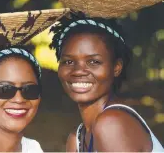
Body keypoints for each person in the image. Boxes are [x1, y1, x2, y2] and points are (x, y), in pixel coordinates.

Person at [49, 12, 164, 152]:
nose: (78, 71)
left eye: (93, 61)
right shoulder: (77, 140)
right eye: (68, 61)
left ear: (116, 67)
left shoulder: (111, 124)